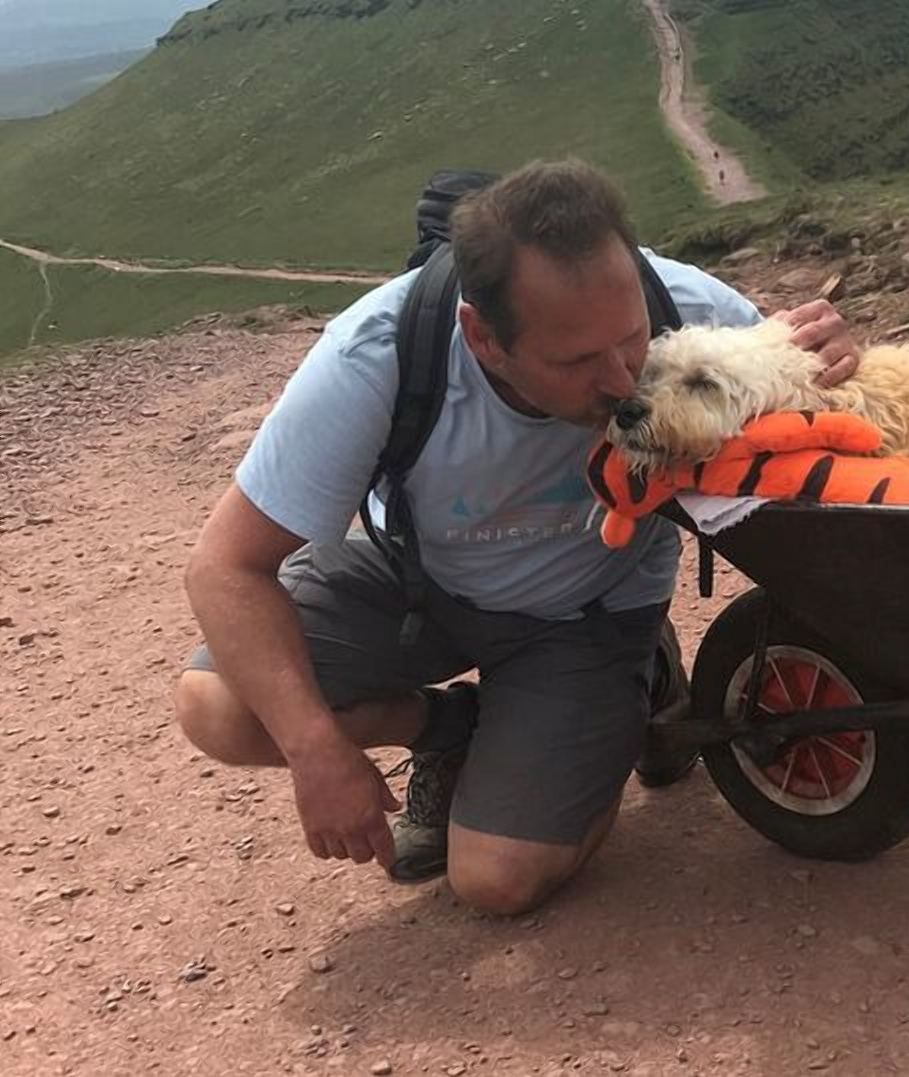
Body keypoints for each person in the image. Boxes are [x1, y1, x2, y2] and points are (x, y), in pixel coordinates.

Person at [172, 159, 861, 916]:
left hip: (586, 613)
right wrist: (313, 748)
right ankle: (452, 728)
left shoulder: (690, 305)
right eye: (574, 361)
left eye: (632, 340)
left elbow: (826, 436)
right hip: (417, 586)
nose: (620, 382)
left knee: (495, 881)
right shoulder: (378, 354)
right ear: (484, 337)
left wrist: (830, 364)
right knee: (220, 707)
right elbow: (225, 568)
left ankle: (636, 680)